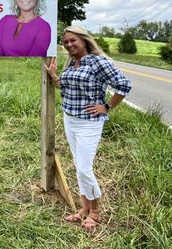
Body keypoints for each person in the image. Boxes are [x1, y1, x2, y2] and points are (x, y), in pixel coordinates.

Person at [45, 25, 131, 230]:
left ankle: (95, 212)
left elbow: (124, 85)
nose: (69, 44)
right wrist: (55, 76)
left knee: (84, 167)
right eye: (66, 42)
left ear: (84, 40)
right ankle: (84, 208)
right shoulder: (71, 62)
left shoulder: (97, 61)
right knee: (78, 165)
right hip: (70, 119)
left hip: (89, 123)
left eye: (73, 40)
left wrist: (107, 106)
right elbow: (65, 87)